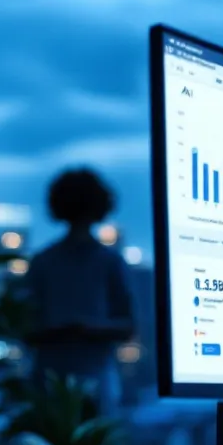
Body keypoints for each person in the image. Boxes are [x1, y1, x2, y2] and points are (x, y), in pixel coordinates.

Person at [23, 167, 136, 419]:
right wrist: (86, 329)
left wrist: (72, 329)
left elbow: (25, 326)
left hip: (57, 381)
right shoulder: (110, 262)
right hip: (86, 381)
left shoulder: (43, 261)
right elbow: (127, 325)